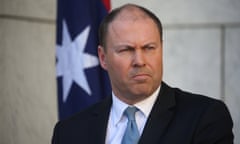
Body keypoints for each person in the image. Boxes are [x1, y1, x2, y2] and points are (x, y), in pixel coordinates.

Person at [52, 3, 234, 144]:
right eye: (126, 50)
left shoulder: (205, 117)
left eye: (149, 48)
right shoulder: (68, 132)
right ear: (103, 57)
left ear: (161, 49)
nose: (140, 60)